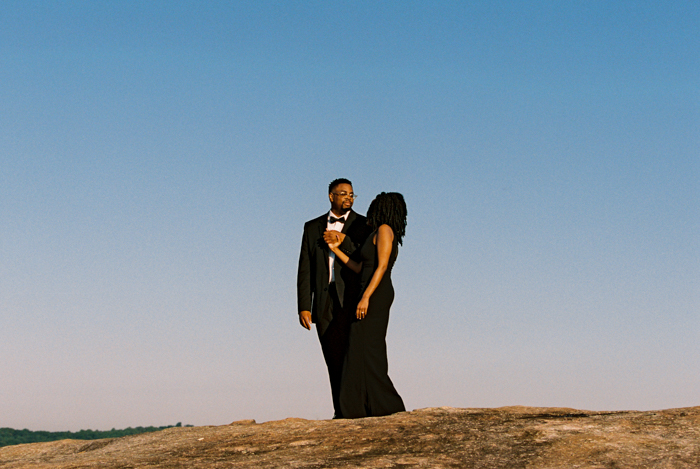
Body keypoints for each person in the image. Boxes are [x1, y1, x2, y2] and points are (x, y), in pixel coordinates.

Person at [325, 192, 407, 418]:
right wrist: (336, 251)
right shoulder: (376, 232)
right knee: (358, 347)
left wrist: (366, 297)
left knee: (369, 349)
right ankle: (357, 408)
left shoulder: (385, 230)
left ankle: (386, 405)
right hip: (368, 292)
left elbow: (381, 267)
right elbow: (359, 267)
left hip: (376, 294)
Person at [297, 178, 372, 418]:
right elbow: (304, 269)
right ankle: (340, 412)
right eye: (343, 194)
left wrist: (343, 241)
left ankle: (357, 410)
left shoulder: (363, 224)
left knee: (352, 356)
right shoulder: (311, 228)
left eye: (352, 194)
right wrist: (303, 306)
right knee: (332, 357)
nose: (348, 198)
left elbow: (364, 256)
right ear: (331, 196)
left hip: (351, 300)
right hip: (322, 301)